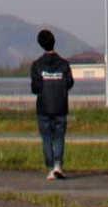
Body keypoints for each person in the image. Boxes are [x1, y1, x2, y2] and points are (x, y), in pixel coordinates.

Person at [31, 29, 75, 180]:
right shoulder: (64, 64)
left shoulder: (37, 65)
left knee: (47, 138)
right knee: (59, 137)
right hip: (61, 106)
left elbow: (35, 88)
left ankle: (51, 169)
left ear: (40, 44)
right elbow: (69, 83)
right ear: (54, 42)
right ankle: (58, 166)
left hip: (43, 108)